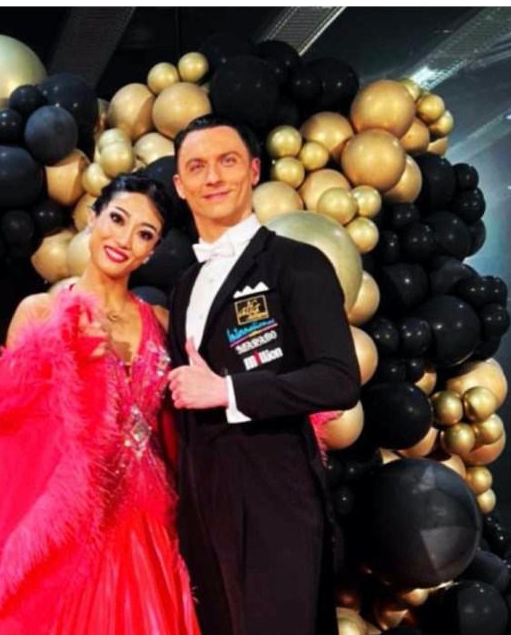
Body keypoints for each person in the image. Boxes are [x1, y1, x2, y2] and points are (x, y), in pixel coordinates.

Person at [0, 173, 201, 635]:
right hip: (72, 526)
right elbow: (13, 425)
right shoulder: (40, 313)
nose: (124, 239)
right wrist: (69, 362)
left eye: (144, 233)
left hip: (149, 521)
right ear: (92, 218)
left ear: (151, 251)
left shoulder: (161, 320)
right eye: (117, 219)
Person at [165, 115, 360, 635]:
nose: (212, 177)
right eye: (196, 167)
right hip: (204, 506)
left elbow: (339, 379)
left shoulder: (297, 263)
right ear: (180, 185)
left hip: (275, 499)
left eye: (226, 161)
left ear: (253, 171)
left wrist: (228, 391)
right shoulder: (185, 285)